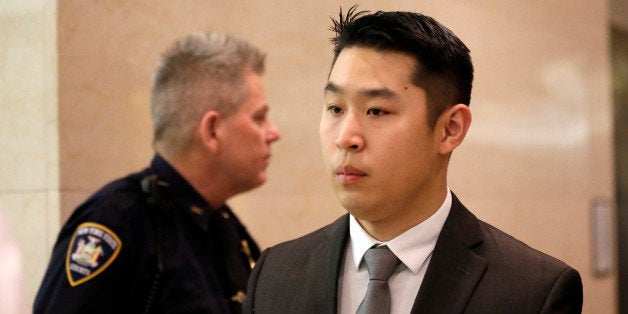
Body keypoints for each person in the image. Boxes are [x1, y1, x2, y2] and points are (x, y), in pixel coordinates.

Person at [244, 7, 582, 314]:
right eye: (335, 108)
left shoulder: (533, 291)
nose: (346, 137)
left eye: (376, 110)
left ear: (450, 129)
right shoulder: (275, 273)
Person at [34, 32, 280, 313]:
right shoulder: (119, 223)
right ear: (212, 130)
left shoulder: (225, 228)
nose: (273, 133)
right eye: (259, 118)